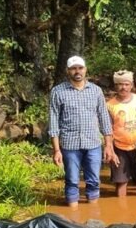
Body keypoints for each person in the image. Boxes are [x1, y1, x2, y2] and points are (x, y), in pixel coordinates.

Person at [48, 56, 116, 207]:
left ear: (85, 70)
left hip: (93, 143)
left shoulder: (96, 91)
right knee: (71, 180)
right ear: (68, 71)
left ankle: (93, 212)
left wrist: (109, 146)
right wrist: (57, 150)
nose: (77, 71)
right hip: (69, 145)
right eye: (73, 68)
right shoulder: (58, 92)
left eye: (80, 68)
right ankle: (73, 215)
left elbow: (104, 118)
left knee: (94, 180)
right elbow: (53, 122)